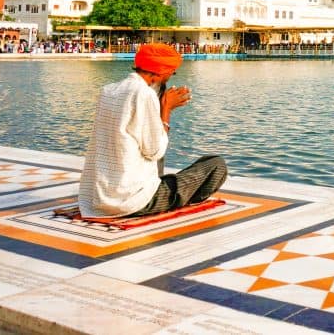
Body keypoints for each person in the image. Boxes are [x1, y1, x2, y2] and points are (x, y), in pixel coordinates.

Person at [78, 43, 227, 218]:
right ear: (161, 72)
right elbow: (155, 151)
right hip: (132, 202)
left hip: (98, 199)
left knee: (164, 175)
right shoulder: (144, 94)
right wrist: (166, 108)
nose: (170, 78)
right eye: (172, 73)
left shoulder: (108, 91)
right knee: (216, 165)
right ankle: (176, 202)